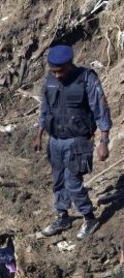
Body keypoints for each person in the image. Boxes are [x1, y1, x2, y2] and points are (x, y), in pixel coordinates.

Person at [34, 44, 112, 240]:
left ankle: (89, 217)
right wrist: (39, 133)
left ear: (70, 64)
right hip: (55, 141)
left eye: (60, 71)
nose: (57, 75)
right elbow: (45, 109)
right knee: (58, 181)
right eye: (53, 71)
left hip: (77, 142)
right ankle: (62, 216)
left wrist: (103, 141)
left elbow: (101, 111)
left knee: (72, 183)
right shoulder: (50, 79)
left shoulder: (87, 78)